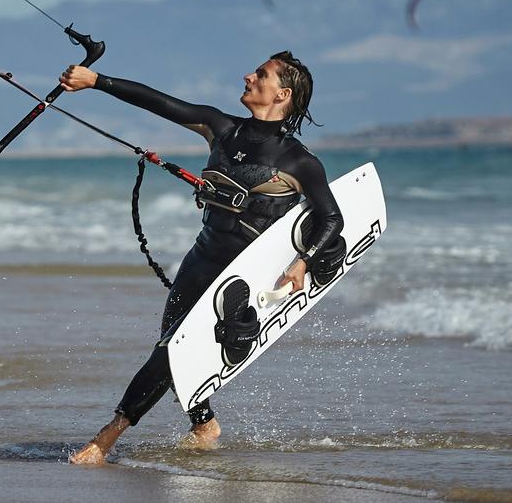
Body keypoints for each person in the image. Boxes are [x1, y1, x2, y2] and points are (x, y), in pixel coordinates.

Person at [59, 51, 345, 465]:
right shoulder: (221, 128)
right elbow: (158, 102)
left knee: (169, 351)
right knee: (174, 350)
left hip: (240, 276)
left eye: (260, 75)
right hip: (200, 258)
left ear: (282, 94)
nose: (248, 76)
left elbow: (331, 219)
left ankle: (104, 440)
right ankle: (204, 423)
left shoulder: (299, 161)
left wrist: (303, 263)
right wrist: (95, 80)